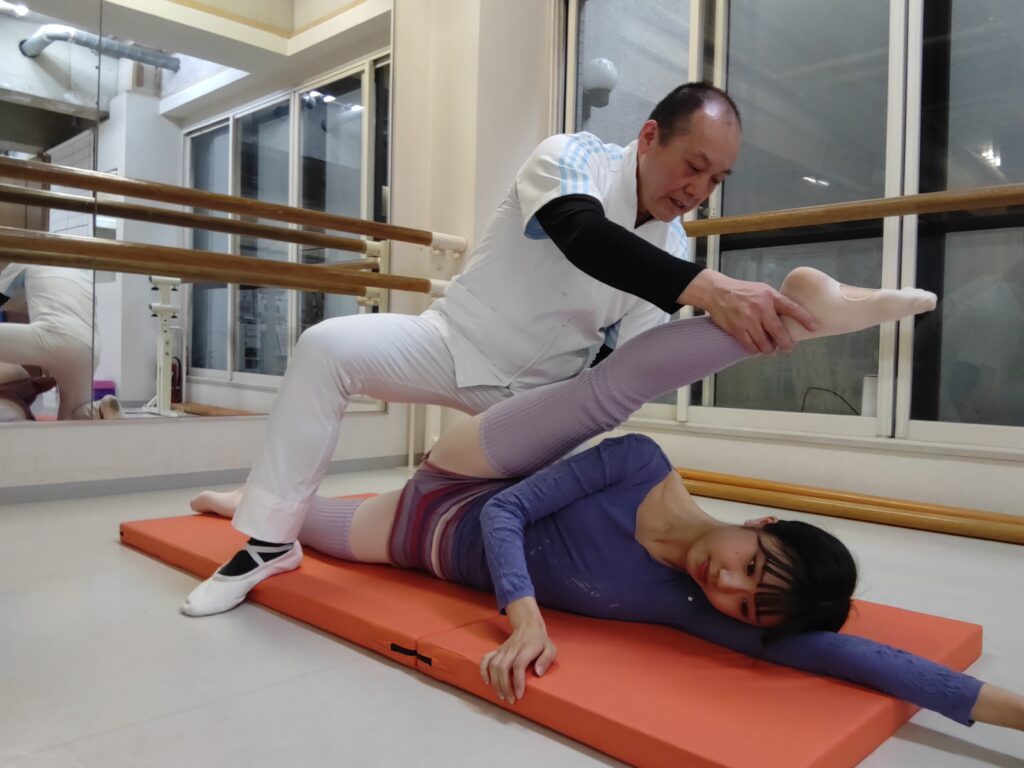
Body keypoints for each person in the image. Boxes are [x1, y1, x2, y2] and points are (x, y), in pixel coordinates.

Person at [184, 270, 1024, 733]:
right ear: (763, 524)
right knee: (610, 392)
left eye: (748, 605)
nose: (730, 587)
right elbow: (504, 513)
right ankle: (800, 314)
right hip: (474, 473)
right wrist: (524, 618)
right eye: (752, 566)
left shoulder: (696, 608)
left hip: (412, 534)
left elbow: (853, 659)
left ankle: (237, 500)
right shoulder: (638, 467)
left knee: (287, 525)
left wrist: (1012, 714)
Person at [194, 83, 824, 610]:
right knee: (325, 347)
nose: (697, 190)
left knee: (424, 527)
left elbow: (626, 360)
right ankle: (269, 536)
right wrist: (710, 290)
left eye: (716, 179)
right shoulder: (573, 155)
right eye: (693, 165)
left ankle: (259, 501)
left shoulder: (677, 246)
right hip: (452, 342)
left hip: (535, 403)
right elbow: (580, 232)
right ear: (650, 136)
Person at [0, 262, 121, 420]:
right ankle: (100, 409)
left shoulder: (25, 261)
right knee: (70, 416)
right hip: (90, 348)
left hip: (54, 335)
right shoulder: (79, 272)